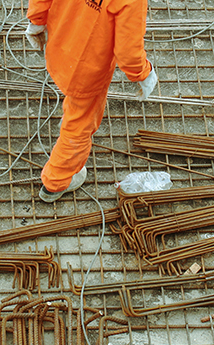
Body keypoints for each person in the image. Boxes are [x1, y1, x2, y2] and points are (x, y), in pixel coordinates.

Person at [25, 0, 158, 203]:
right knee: (79, 125)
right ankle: (56, 182)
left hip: (60, 44)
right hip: (88, 69)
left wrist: (37, 20)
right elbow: (128, 52)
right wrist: (143, 73)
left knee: (72, 97)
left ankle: (69, 111)